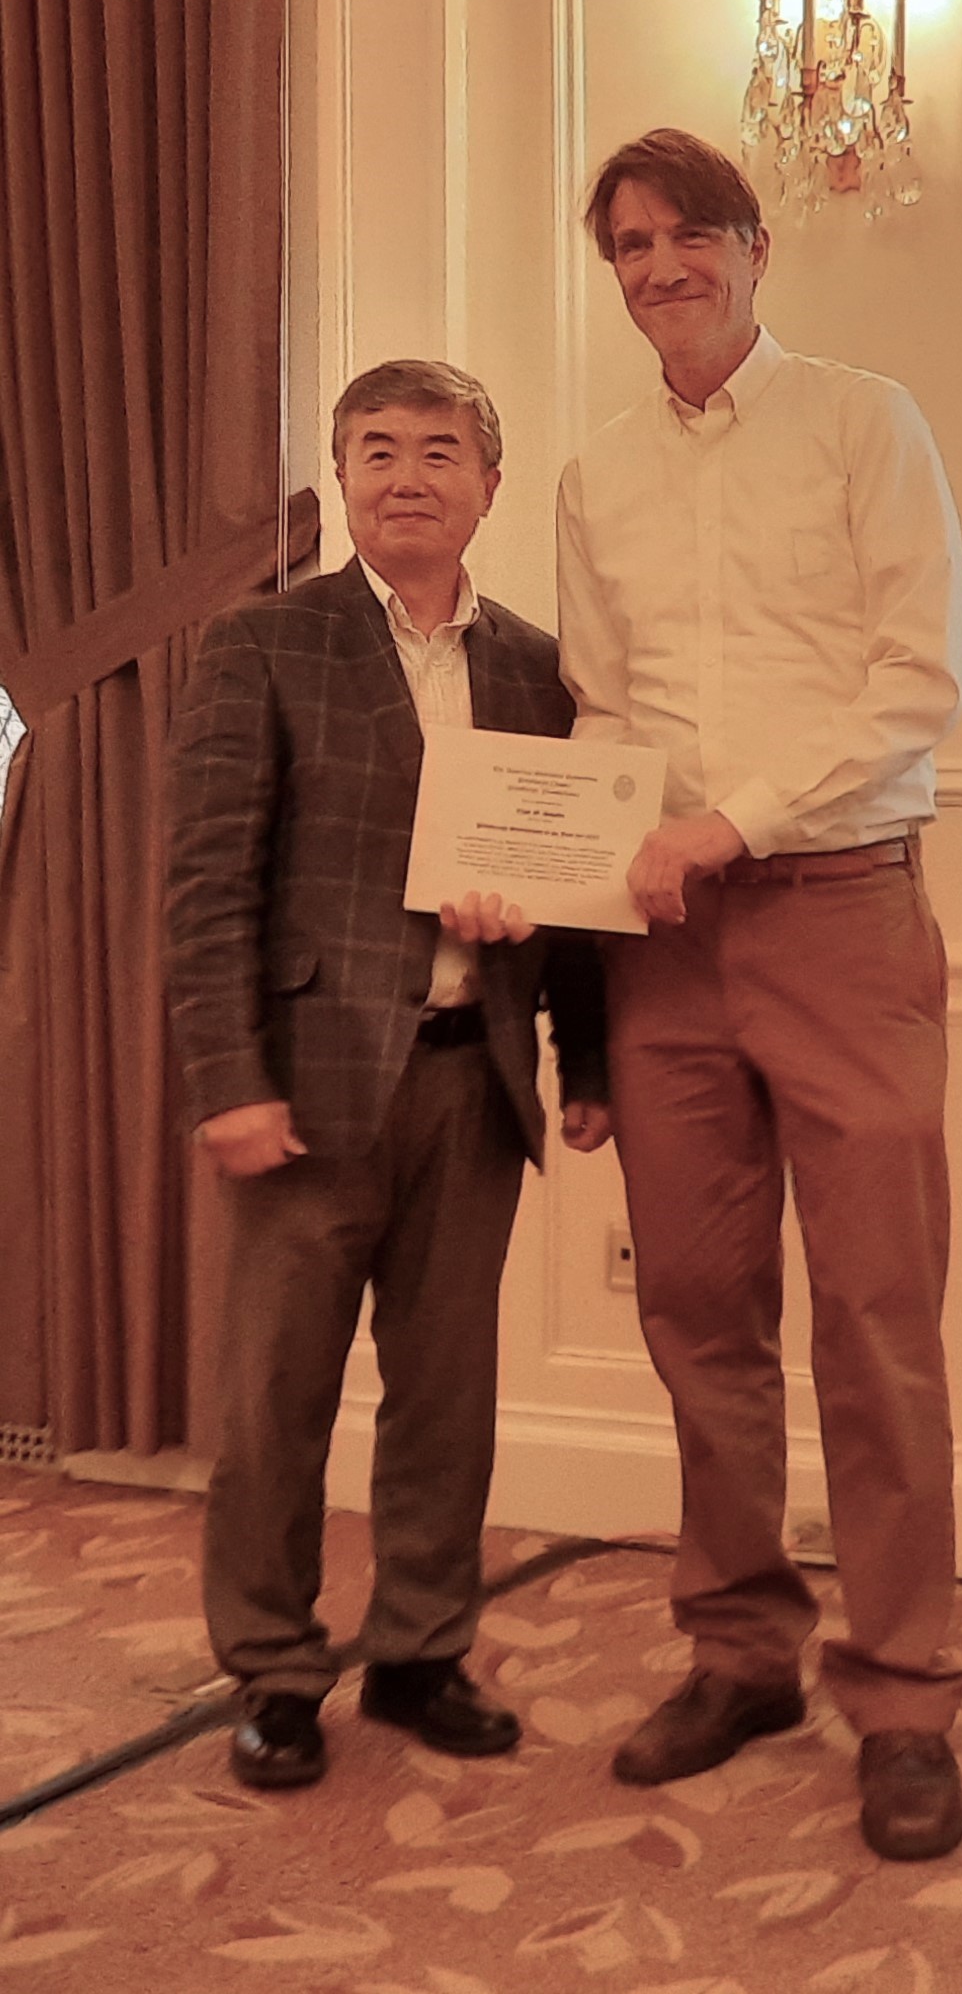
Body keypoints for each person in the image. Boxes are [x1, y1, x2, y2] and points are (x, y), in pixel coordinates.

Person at [556, 130, 962, 1861]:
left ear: (754, 247)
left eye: (689, 236)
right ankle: (742, 1657)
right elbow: (600, 710)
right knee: (698, 1314)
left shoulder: (868, 424)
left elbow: (917, 679)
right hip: (661, 946)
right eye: (629, 245)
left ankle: (905, 1695)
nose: (661, 267)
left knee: (877, 1315)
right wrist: (564, 859)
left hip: (840, 916)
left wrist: (729, 822)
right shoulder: (594, 476)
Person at [165, 359, 610, 1790]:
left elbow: (572, 883)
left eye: (438, 450)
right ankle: (276, 1669)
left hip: (471, 1085)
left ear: (489, 483)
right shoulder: (263, 642)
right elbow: (208, 885)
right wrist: (227, 1080)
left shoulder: (541, 668)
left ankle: (423, 1651)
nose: (407, 475)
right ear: (344, 478)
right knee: (275, 1401)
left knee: (445, 1398)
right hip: (305, 1089)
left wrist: (587, 1059)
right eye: (377, 449)